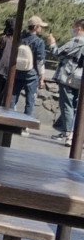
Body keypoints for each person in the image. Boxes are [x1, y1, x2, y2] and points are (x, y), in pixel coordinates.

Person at [48, 19, 84, 147]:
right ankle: (70, 132)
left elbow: (58, 53)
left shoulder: (76, 41)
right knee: (76, 107)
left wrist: (52, 43)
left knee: (67, 105)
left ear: (78, 28)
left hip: (68, 77)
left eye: (73, 27)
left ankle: (69, 134)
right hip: (80, 79)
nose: (72, 29)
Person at [10, 15, 48, 120]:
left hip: (18, 71)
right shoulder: (39, 42)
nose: (41, 28)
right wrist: (42, 75)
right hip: (31, 73)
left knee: (13, 96)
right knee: (30, 98)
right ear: (35, 27)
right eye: (40, 26)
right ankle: (26, 121)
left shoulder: (20, 39)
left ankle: (9, 117)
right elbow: (40, 61)